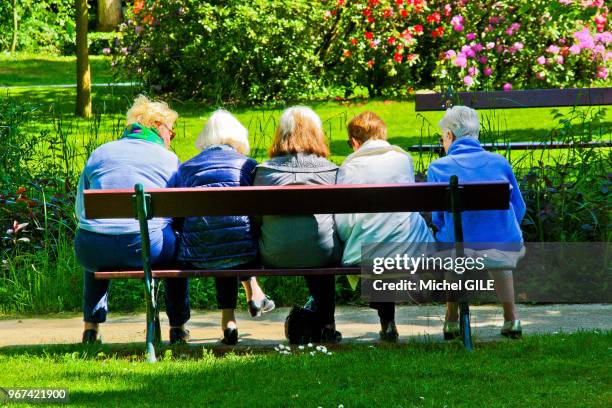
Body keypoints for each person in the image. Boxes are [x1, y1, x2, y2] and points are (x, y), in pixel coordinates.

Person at [75, 95, 190, 344]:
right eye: (172, 132)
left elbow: (81, 211)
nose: (171, 138)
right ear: (159, 128)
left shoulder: (99, 153)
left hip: (93, 250)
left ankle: (90, 328)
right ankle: (178, 326)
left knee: (96, 236)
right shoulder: (169, 160)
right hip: (147, 248)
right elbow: (178, 216)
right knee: (179, 247)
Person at [176, 109, 275, 345]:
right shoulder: (247, 165)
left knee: (222, 235)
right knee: (234, 235)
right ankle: (254, 293)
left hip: (199, 251)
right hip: (243, 250)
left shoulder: (187, 168)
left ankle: (229, 320)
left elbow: (180, 217)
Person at [427, 105, 526, 339]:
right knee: (497, 244)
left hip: (458, 248)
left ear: (450, 136)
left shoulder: (438, 167)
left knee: (453, 246)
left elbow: (437, 218)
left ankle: (451, 321)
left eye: (443, 137)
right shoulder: (499, 162)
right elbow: (519, 208)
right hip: (503, 246)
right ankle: (511, 318)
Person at [335, 111, 434, 342]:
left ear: (354, 142)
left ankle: (387, 322)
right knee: (390, 232)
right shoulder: (403, 159)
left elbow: (343, 222)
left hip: (370, 247)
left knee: (372, 238)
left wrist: (347, 236)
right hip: (407, 244)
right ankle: (388, 321)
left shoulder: (350, 167)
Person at [254, 106, 342, 343]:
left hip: (274, 254)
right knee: (318, 242)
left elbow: (256, 220)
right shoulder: (331, 171)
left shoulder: (263, 172)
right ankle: (327, 325)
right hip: (322, 254)